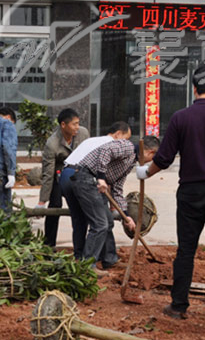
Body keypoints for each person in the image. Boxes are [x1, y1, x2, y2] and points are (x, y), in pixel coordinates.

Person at [137, 65, 205, 322]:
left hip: (190, 191)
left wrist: (145, 172)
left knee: (186, 249)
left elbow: (164, 158)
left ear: (194, 89)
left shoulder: (180, 118)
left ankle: (178, 305)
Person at [66, 134, 160, 275]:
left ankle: (109, 259)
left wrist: (126, 216)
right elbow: (105, 151)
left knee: (108, 221)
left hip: (94, 183)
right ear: (150, 152)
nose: (149, 161)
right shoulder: (127, 147)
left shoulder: (130, 162)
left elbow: (117, 189)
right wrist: (101, 178)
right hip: (86, 178)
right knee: (100, 224)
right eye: (152, 158)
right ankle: (87, 265)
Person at [60, 121, 132, 260]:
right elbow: (102, 170)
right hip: (86, 177)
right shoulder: (113, 145)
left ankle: (79, 257)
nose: (126, 143)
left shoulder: (92, 140)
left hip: (66, 175)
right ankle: (105, 258)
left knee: (79, 220)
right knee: (102, 221)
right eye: (126, 138)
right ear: (118, 134)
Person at [36, 108, 89, 247]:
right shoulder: (52, 143)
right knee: (55, 205)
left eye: (78, 123)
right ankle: (49, 245)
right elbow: (48, 173)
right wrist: (42, 200)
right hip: (59, 178)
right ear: (63, 125)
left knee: (81, 207)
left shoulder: (83, 133)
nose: (77, 127)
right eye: (74, 124)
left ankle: (82, 246)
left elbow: (89, 156)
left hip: (78, 175)